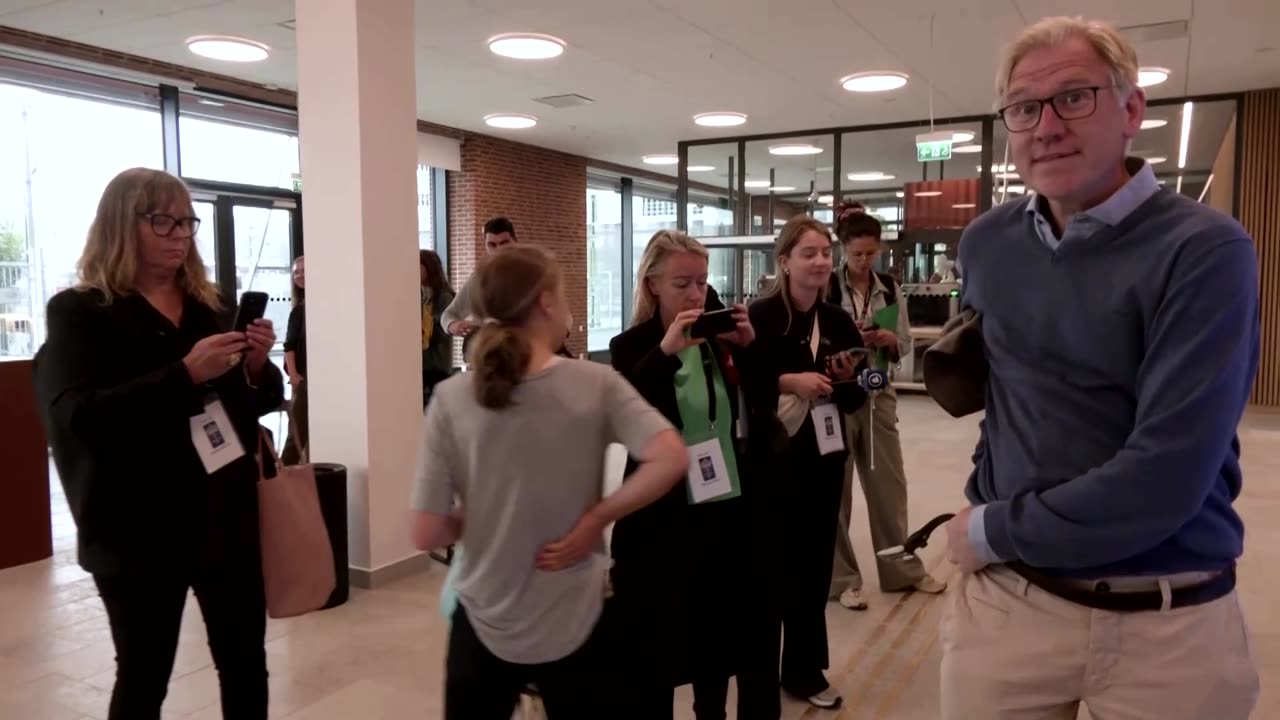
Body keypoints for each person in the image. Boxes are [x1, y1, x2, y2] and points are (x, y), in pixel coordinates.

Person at [938, 16, 1260, 719]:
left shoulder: (1205, 250)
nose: (1046, 125)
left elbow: (1165, 476)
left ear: (1132, 109)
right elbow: (1006, 396)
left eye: (1074, 97)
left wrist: (987, 529)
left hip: (1165, 620)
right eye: (1024, 107)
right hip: (1009, 606)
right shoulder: (988, 242)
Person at [32, 167, 284, 720]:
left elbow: (249, 407)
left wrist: (257, 368)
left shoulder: (208, 306)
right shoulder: (81, 312)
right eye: (162, 220)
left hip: (224, 514)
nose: (179, 234)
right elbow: (77, 415)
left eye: (186, 221)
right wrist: (185, 374)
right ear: (123, 225)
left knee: (245, 662)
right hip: (138, 526)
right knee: (145, 674)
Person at [410, 244, 689, 720]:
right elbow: (671, 458)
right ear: (545, 303)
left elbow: (426, 533)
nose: (570, 309)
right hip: (575, 619)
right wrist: (597, 517)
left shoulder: (453, 396)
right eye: (564, 296)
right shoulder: (594, 384)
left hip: (480, 622)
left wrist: (473, 512)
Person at [608, 230, 778, 720]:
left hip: (724, 504)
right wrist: (664, 353)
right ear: (653, 284)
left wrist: (748, 347)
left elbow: (762, 404)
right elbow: (630, 416)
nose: (696, 293)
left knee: (718, 634)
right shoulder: (631, 346)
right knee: (658, 639)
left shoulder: (718, 336)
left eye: (702, 282)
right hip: (660, 515)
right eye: (682, 282)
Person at [748, 215, 866, 710]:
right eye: (808, 253)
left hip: (823, 459)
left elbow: (859, 396)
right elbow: (744, 387)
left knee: (814, 567)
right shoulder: (759, 318)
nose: (820, 262)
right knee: (772, 567)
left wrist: (846, 381)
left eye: (825, 253)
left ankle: (802, 669)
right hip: (772, 462)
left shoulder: (838, 321)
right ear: (785, 261)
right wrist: (787, 382)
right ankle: (755, 669)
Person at [826, 204, 945, 610]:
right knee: (835, 493)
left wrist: (885, 338)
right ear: (843, 249)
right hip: (837, 399)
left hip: (878, 397)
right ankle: (842, 579)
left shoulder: (890, 290)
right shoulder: (827, 289)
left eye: (870, 254)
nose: (863, 261)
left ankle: (901, 571)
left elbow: (906, 342)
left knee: (888, 490)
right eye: (856, 254)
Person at [441, 216, 517, 342]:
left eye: (504, 243)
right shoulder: (480, 278)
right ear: (486, 246)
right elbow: (448, 314)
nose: (498, 250)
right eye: (492, 245)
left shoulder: (532, 274)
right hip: (490, 351)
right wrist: (454, 325)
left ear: (515, 241)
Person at [419, 249, 455, 405]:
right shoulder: (417, 295)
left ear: (429, 268)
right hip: (421, 365)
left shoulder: (443, 297)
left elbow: (442, 331)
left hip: (436, 365)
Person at [282, 255, 307, 464]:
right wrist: (295, 376)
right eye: (296, 272)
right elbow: (289, 346)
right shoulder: (299, 310)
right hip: (304, 380)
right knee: (296, 437)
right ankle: (283, 478)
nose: (299, 275)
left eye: (303, 271)